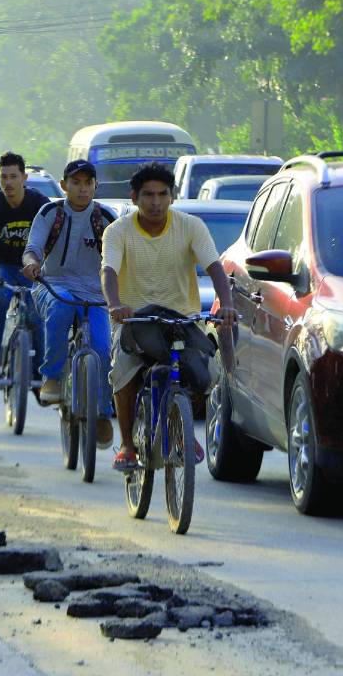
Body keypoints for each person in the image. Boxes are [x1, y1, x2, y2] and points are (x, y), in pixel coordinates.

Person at [101, 162, 236, 472]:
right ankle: (127, 445)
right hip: (133, 320)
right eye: (148, 195)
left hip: (181, 319)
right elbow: (108, 271)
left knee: (206, 372)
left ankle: (181, 427)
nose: (156, 202)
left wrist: (226, 304)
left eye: (163, 194)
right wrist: (115, 305)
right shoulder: (117, 231)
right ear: (134, 197)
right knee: (124, 372)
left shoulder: (191, 226)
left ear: (172, 197)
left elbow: (215, 267)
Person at [22, 159, 117, 446]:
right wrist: (31, 263)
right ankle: (51, 376)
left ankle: (102, 412)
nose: (82, 188)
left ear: (96, 186)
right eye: (76, 183)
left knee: (102, 348)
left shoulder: (107, 218)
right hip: (54, 285)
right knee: (62, 308)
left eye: (88, 183)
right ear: (64, 186)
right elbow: (32, 249)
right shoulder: (49, 213)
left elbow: (120, 257)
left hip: (95, 293)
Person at [0, 152, 50, 382]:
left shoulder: (39, 203)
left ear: (24, 178)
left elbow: (53, 239)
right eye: (3, 177)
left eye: (13, 176)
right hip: (3, 265)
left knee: (37, 313)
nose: (8, 182)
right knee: (0, 299)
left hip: (33, 267)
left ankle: (41, 369)